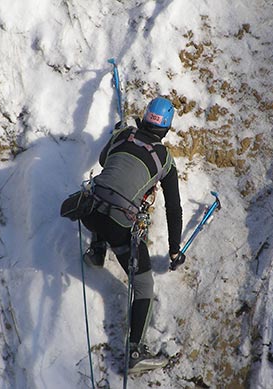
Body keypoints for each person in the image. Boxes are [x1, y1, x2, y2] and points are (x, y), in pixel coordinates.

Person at [79, 96, 184, 373]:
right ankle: (136, 350)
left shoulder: (124, 134)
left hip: (88, 211)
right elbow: (173, 208)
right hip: (117, 224)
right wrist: (175, 250)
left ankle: (97, 251)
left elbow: (104, 160)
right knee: (143, 286)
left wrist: (119, 135)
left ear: (145, 116)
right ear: (167, 128)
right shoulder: (165, 159)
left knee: (106, 197)